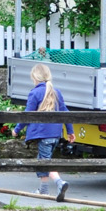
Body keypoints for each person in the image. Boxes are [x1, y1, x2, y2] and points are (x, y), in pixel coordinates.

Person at [16, 62, 70, 201]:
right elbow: (66, 113)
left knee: (45, 162)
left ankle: (60, 182)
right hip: (55, 135)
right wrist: (70, 131)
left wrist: (17, 129)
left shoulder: (35, 93)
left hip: (43, 134)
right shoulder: (56, 92)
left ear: (35, 77)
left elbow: (28, 114)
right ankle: (44, 189)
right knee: (43, 160)